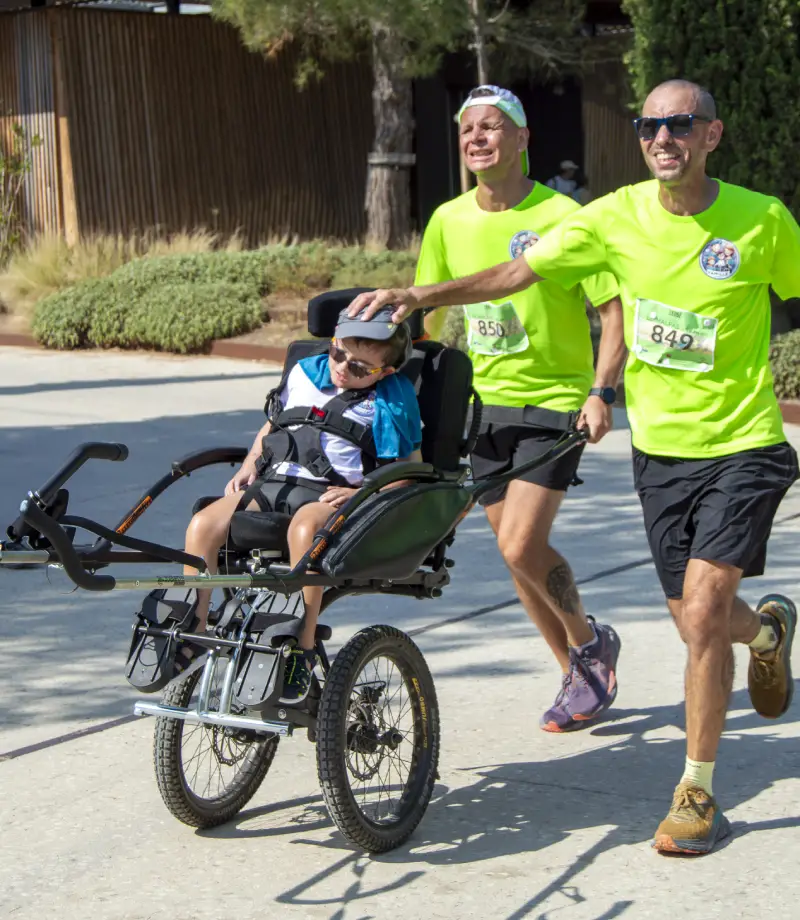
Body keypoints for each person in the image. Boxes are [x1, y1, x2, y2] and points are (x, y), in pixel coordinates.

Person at [347, 78, 800, 855]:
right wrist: (420, 295)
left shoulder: (762, 220)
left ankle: (696, 790)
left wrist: (595, 388)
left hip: (743, 442)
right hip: (660, 454)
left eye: (680, 125)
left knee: (696, 612)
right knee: (697, 619)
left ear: (711, 135)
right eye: (649, 126)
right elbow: (519, 273)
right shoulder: (612, 217)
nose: (663, 138)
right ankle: (765, 634)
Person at [417, 84, 626, 733]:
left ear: (523, 139)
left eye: (491, 127)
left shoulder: (564, 214)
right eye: (467, 130)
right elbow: (428, 317)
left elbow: (613, 309)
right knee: (514, 555)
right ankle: (576, 670)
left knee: (521, 540)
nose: (477, 138)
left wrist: (601, 391)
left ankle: (589, 643)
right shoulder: (448, 219)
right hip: (485, 408)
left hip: (556, 400)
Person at [182, 307, 422, 703]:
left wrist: (363, 491)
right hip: (276, 483)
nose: (343, 368)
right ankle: (196, 629)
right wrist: (248, 466)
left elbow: (410, 468)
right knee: (203, 525)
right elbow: (272, 426)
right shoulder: (304, 374)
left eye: (361, 368)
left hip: (333, 493)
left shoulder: (392, 400)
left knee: (305, 531)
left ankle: (300, 646)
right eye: (338, 354)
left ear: (386, 371)